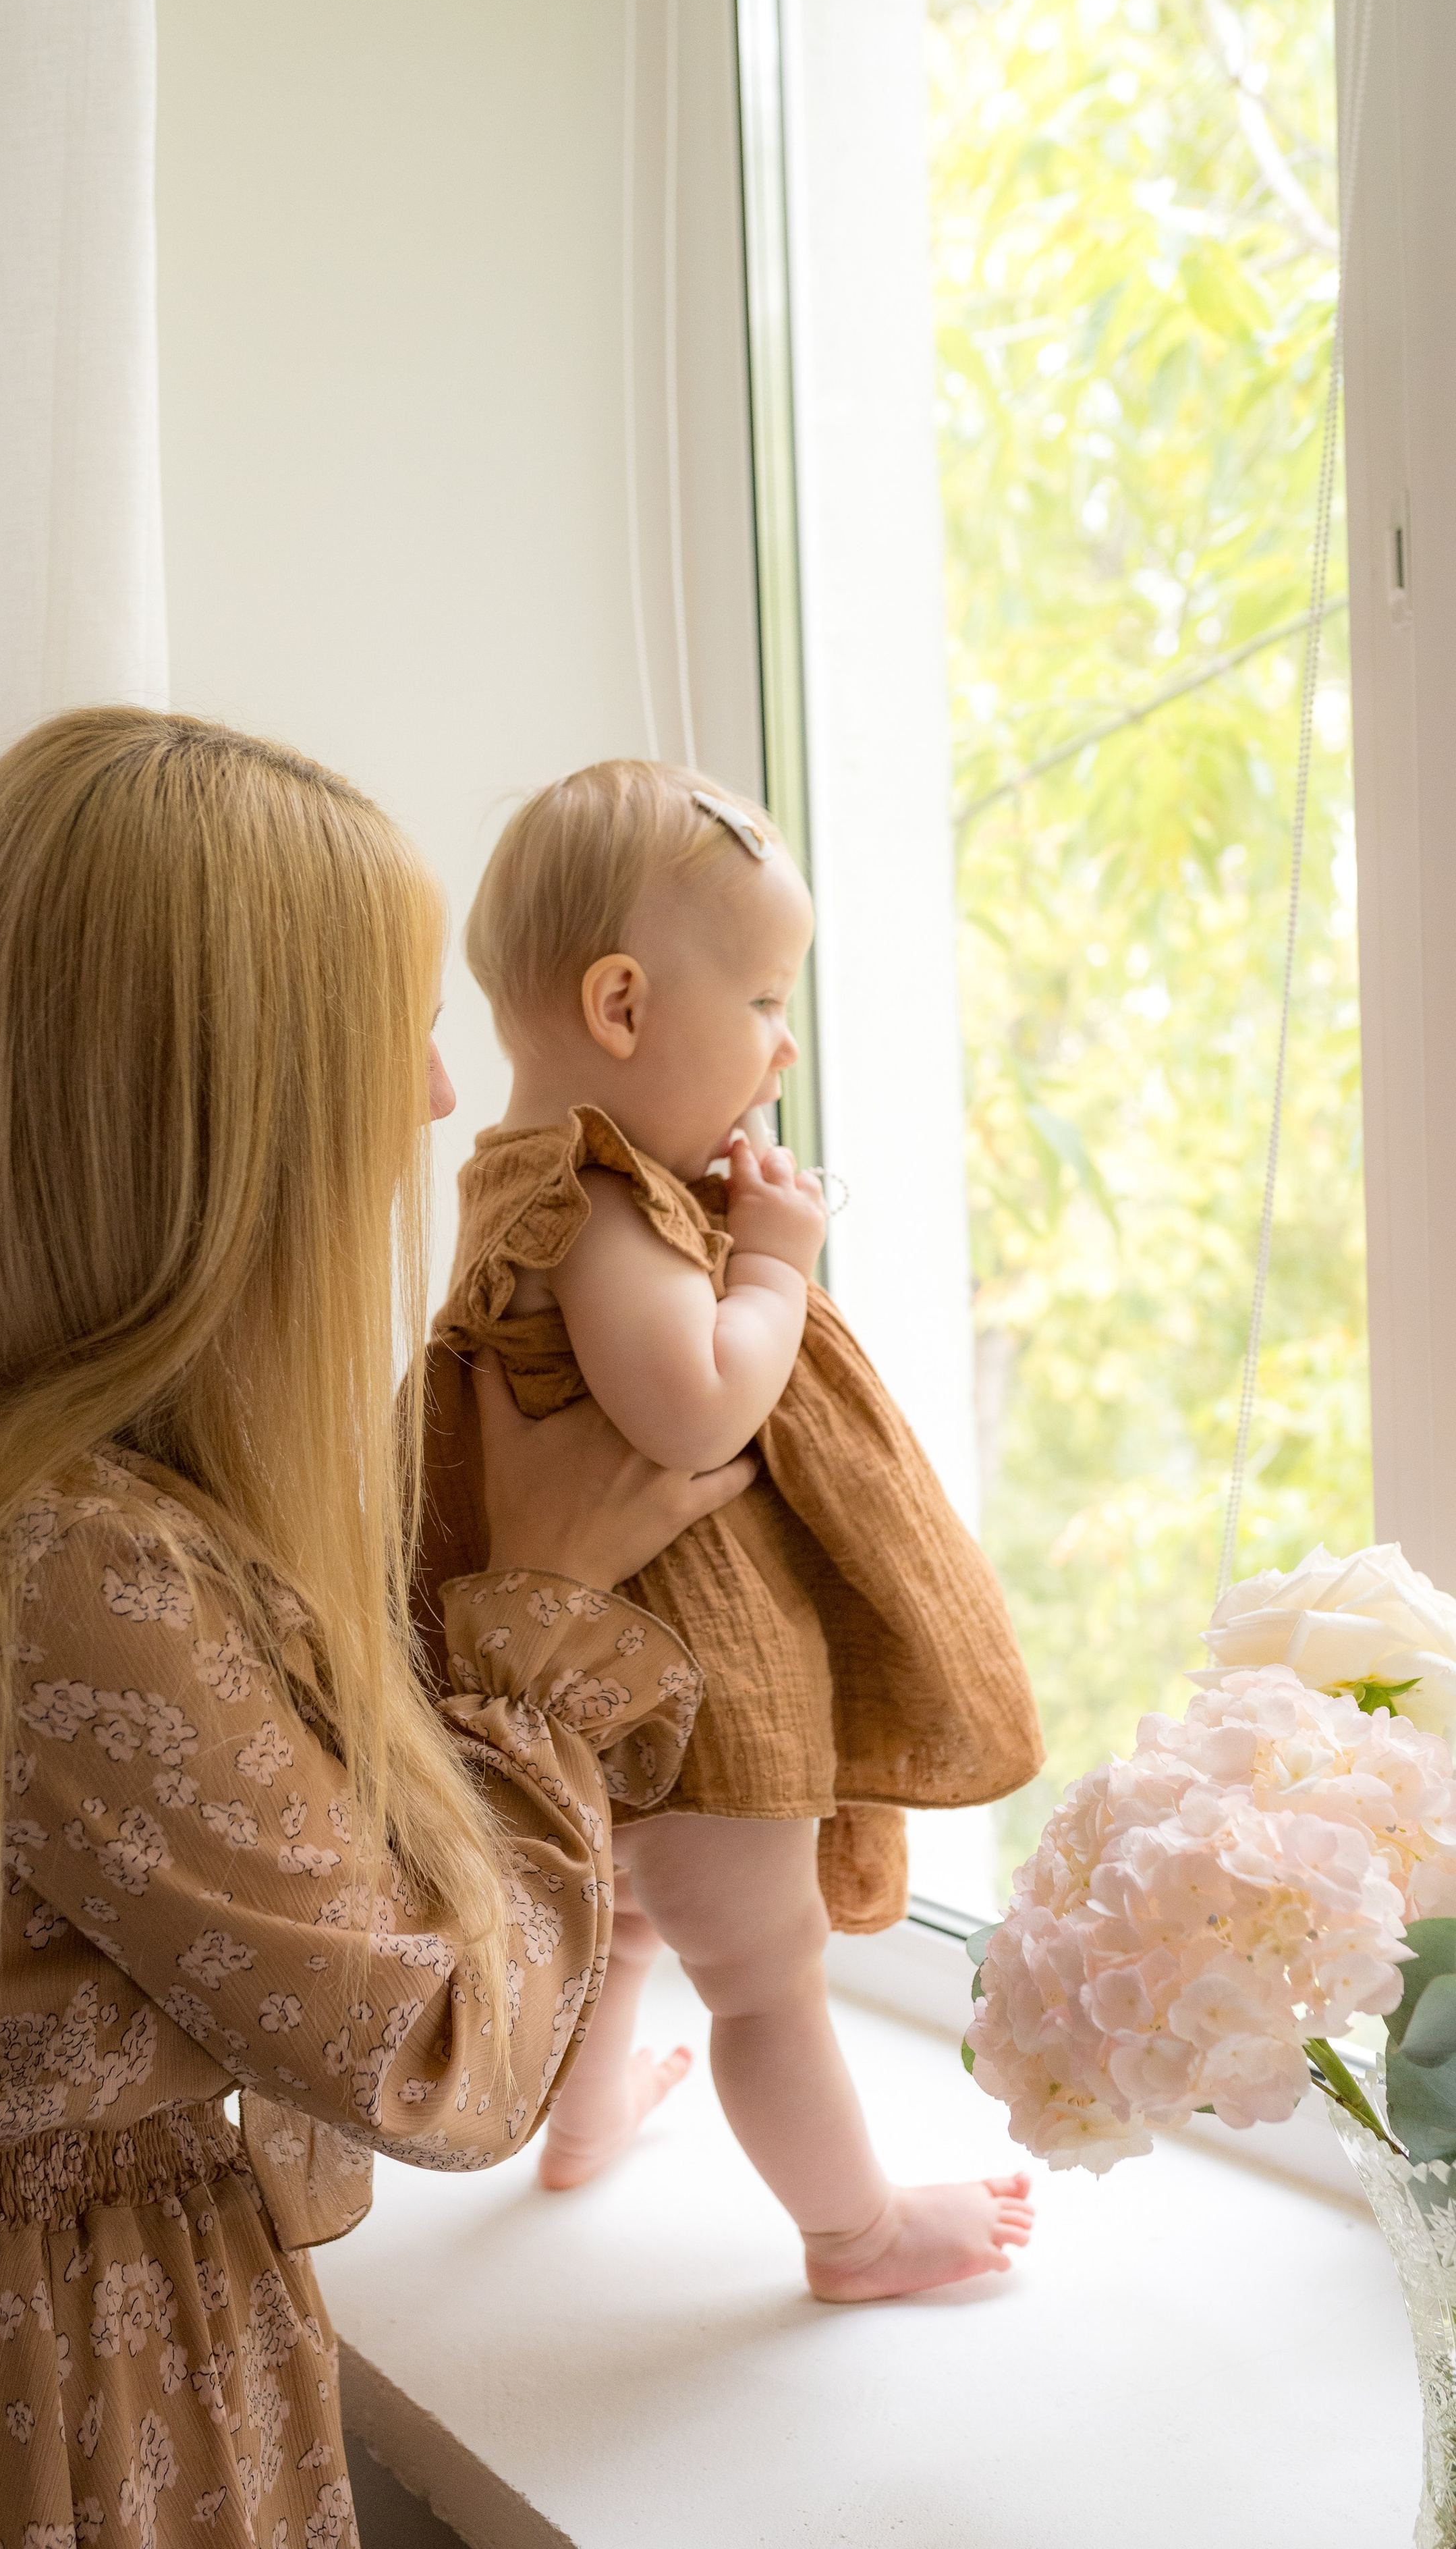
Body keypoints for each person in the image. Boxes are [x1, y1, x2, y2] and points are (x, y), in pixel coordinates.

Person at [0, 711, 755, 2546]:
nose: (441, 1096)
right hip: (67, 2405)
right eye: (396, 1031)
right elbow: (444, 2053)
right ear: (224, 1097)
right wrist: (532, 1629)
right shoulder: (46, 1567)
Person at [416, 759, 1044, 2301]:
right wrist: (769, 1265)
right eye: (764, 1004)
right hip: (690, 1689)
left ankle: (579, 2124)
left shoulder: (521, 1179)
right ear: (619, 1008)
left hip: (610, 1687)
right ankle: (855, 2232)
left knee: (624, 1925)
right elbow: (699, 1407)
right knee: (764, 1986)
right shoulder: (601, 1201)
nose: (777, 1055)